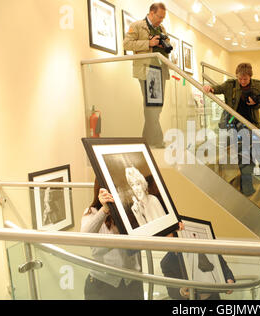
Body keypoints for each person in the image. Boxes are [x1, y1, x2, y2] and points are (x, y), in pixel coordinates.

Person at [203, 63, 260, 196]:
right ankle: (246, 188)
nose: (242, 82)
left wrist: (256, 103)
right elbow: (217, 88)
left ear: (250, 77)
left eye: (245, 79)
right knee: (244, 156)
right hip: (232, 124)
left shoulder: (258, 85)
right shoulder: (230, 84)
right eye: (240, 79)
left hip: (251, 124)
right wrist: (209, 88)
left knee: (250, 155)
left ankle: (252, 186)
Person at [81, 179, 143, 300]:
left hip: (132, 282)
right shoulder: (92, 212)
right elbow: (84, 237)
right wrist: (104, 210)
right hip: (102, 283)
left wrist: (171, 228)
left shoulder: (131, 211)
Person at [123, 2, 170, 147]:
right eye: (159, 16)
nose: (161, 20)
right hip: (146, 69)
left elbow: (166, 45)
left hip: (160, 70)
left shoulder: (161, 28)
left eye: (163, 17)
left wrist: (162, 44)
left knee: (157, 107)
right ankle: (157, 140)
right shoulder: (137, 26)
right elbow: (126, 44)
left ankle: (145, 140)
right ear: (151, 12)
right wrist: (148, 43)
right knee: (150, 105)